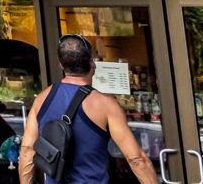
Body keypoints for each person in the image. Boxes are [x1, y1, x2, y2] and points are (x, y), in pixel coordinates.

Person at [17, 34, 157, 183]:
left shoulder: (42, 99)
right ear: (92, 64)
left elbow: (27, 151)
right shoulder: (105, 104)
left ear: (61, 64)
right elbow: (136, 160)